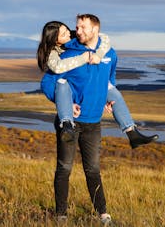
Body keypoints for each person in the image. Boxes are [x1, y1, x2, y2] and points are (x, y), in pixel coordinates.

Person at [37, 14, 115, 224]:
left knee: (93, 170)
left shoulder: (108, 52)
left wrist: (107, 98)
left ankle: (103, 214)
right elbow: (47, 83)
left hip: (93, 122)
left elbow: (108, 78)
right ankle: (61, 214)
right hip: (69, 122)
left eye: (81, 27)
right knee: (64, 168)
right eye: (75, 27)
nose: (75, 30)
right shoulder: (67, 54)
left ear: (94, 29)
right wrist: (65, 104)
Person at [37, 21, 158, 148]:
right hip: (70, 92)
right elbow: (55, 72)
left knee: (108, 87)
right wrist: (84, 58)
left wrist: (103, 95)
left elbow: (104, 38)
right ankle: (67, 125)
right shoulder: (54, 54)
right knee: (62, 83)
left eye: (67, 29)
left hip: (86, 88)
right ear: (55, 41)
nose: (69, 34)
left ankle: (132, 133)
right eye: (63, 34)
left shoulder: (75, 37)